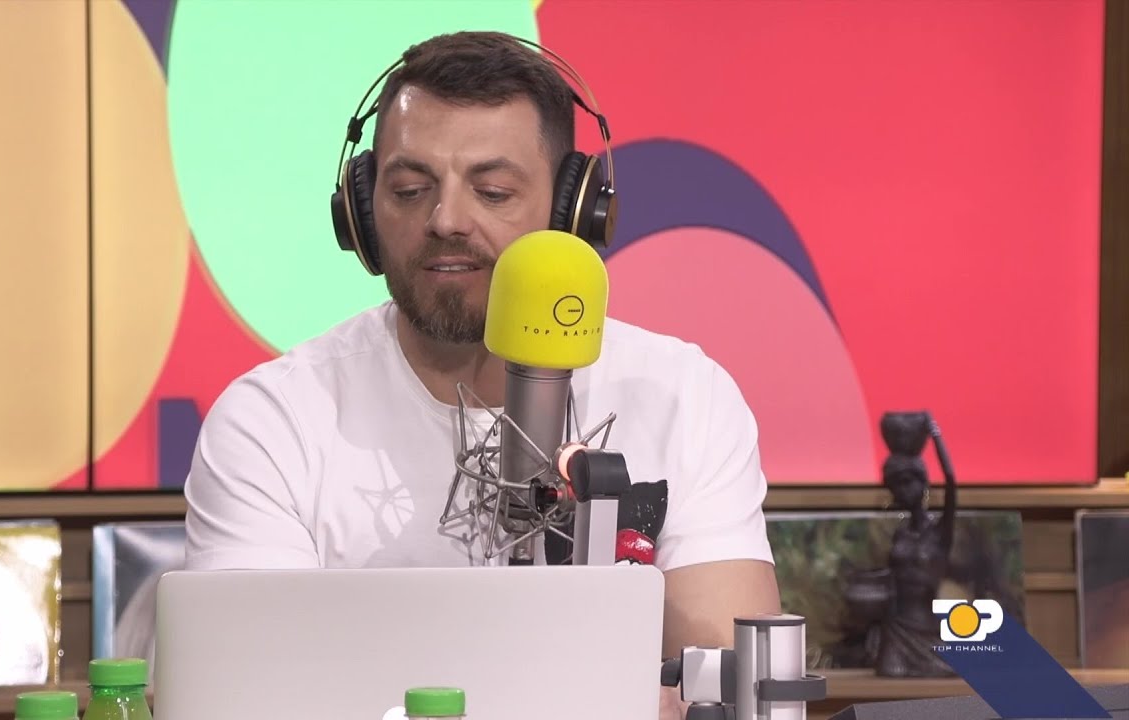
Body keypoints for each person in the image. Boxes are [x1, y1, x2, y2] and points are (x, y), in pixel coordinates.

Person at [183, 31, 781, 718]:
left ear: (573, 211)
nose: (446, 220)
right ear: (361, 213)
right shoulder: (272, 422)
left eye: (492, 192)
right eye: (410, 190)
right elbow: (248, 697)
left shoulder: (682, 397)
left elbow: (734, 684)